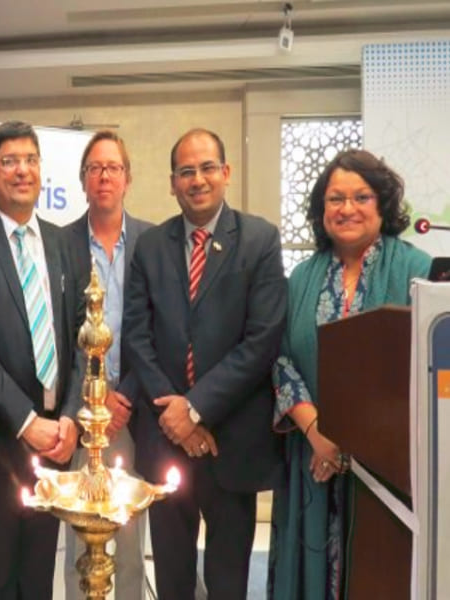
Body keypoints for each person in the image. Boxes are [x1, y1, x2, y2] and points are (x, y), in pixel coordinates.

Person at [121, 128, 287, 599]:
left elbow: (262, 340)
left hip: (231, 439)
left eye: (207, 167)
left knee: (228, 581)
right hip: (165, 438)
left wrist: (194, 409)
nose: (198, 179)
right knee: (171, 578)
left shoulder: (259, 240)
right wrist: (176, 418)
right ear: (172, 182)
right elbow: (137, 336)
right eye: (186, 171)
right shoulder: (150, 246)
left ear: (226, 172)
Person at [267, 149, 431, 600]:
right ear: (322, 210)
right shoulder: (302, 278)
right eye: (335, 198)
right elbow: (281, 360)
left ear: (383, 203)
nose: (347, 208)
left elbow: (422, 365)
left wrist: (354, 442)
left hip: (391, 466)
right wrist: (319, 434)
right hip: (312, 456)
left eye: (361, 197)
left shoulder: (418, 271)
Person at [0, 120, 82, 600]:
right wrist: (27, 422)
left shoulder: (63, 243)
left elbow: (80, 339)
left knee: (39, 580)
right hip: (0, 444)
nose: (22, 170)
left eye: (30, 160)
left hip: (57, 444)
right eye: (9, 162)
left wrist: (69, 417)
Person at [62, 131, 151, 600]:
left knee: (130, 535)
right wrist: (91, 397)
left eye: (113, 167)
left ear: (127, 178)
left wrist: (126, 395)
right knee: (80, 530)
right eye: (94, 168)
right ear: (83, 180)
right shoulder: (61, 243)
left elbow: (158, 327)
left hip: (132, 409)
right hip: (81, 410)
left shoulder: (151, 241)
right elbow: (61, 332)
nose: (104, 176)